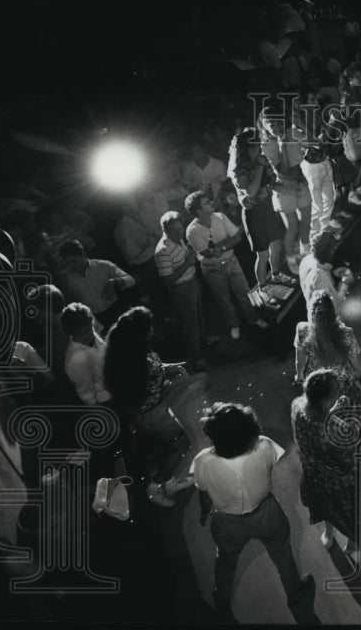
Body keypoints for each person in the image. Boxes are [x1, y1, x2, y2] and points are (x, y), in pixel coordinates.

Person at [192, 402, 314, 618]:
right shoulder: (265, 445)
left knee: (226, 561)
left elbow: (203, 493)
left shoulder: (203, 461)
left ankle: (222, 600)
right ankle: (294, 593)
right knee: (283, 554)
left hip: (227, 522)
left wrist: (204, 511)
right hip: (266, 512)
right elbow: (269, 464)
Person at [103, 306, 196, 507]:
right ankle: (155, 488)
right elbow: (148, 393)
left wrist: (171, 368)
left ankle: (170, 483)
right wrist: (168, 384)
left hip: (153, 410)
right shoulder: (134, 363)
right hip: (152, 414)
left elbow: (156, 369)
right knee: (181, 445)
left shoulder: (131, 351)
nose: (153, 329)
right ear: (141, 334)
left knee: (170, 445)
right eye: (150, 327)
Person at [291, 369, 361, 564]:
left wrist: (334, 408)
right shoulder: (338, 431)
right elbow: (355, 460)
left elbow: (318, 418)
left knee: (324, 509)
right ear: (325, 402)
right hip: (339, 485)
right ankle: (353, 541)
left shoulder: (297, 406)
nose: (340, 393)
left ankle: (328, 534)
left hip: (314, 476)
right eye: (336, 392)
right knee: (350, 517)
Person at [185, 190, 269, 341]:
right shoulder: (192, 231)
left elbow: (237, 238)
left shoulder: (220, 217)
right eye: (207, 202)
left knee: (245, 293)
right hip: (213, 270)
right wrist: (224, 243)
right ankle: (234, 324)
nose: (212, 203)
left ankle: (254, 318)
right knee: (224, 299)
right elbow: (208, 253)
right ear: (198, 210)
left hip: (232, 262)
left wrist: (221, 247)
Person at [229, 128, 287, 284]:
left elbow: (272, 182)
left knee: (276, 245)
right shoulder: (240, 169)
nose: (261, 148)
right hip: (254, 214)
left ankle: (276, 273)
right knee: (263, 255)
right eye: (257, 146)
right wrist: (260, 167)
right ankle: (262, 286)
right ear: (248, 148)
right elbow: (251, 192)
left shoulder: (262, 159)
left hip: (268, 208)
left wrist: (287, 187)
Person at [259, 104, 313, 267]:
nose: (276, 127)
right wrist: (283, 144)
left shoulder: (292, 133)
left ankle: (306, 252)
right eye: (271, 124)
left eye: (278, 123)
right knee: (292, 228)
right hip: (283, 188)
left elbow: (314, 142)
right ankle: (291, 260)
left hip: (301, 183)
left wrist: (302, 127)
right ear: (265, 125)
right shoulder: (267, 145)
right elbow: (284, 171)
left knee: (306, 222)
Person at [154, 211, 207, 372]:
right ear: (165, 230)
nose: (179, 232)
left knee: (199, 318)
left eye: (180, 228)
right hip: (181, 289)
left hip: (192, 282)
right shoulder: (163, 250)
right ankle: (195, 359)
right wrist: (187, 263)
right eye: (174, 230)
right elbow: (167, 280)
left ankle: (204, 346)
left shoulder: (178, 239)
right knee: (191, 326)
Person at [58, 239, 137, 329]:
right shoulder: (67, 279)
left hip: (118, 309)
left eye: (73, 261)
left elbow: (131, 280)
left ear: (83, 255)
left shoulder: (103, 265)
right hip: (96, 320)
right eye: (67, 263)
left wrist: (115, 282)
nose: (71, 266)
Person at [294, 290, 361, 385]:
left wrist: (299, 375)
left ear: (311, 313)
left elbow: (299, 360)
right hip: (338, 381)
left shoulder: (302, 329)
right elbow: (356, 364)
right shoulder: (347, 333)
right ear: (332, 312)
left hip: (315, 379)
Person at [61, 302, 113, 407]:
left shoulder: (93, 333)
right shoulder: (75, 360)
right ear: (71, 334)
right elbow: (86, 394)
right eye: (78, 335)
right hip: (107, 400)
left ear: (91, 323)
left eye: (87, 330)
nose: (85, 337)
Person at [298, 231, 354, 314]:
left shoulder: (306, 260)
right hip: (325, 320)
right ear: (330, 252)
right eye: (333, 248)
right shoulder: (322, 279)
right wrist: (345, 284)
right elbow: (335, 308)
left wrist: (332, 270)